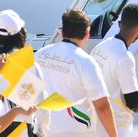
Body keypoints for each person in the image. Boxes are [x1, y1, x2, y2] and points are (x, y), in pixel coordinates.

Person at [35, 9, 117, 137]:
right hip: (76, 131)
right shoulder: (86, 62)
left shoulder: (40, 54)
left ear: (61, 32)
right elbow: (102, 106)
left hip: (42, 129)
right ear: (87, 35)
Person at [90, 4, 138, 137]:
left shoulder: (101, 46)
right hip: (117, 127)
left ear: (119, 24)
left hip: (94, 122)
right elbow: (132, 101)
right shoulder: (124, 58)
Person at [0, 9, 48, 136]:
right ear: (20, 34)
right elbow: (42, 106)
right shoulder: (28, 64)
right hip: (22, 130)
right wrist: (42, 132)